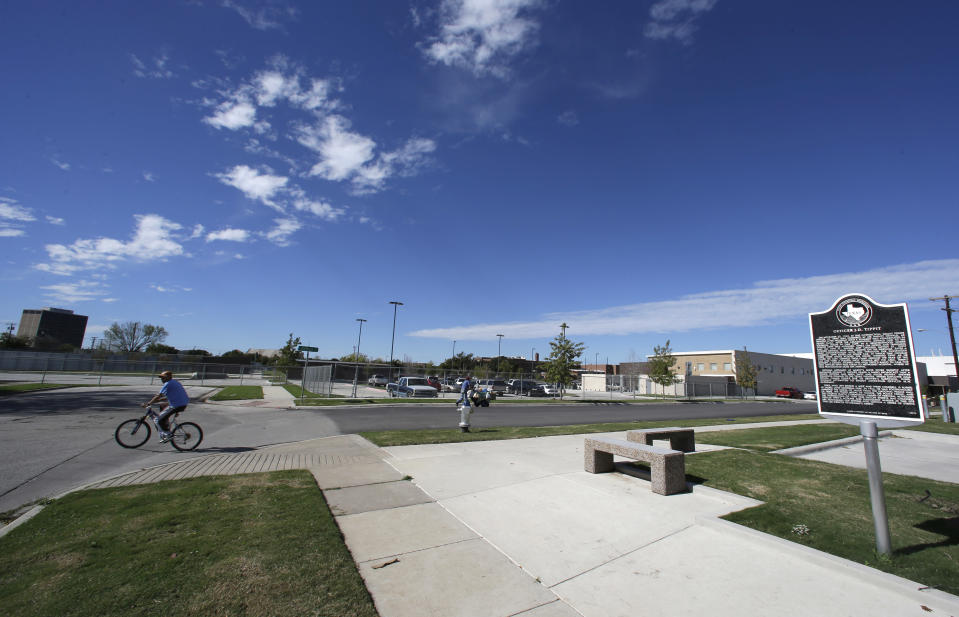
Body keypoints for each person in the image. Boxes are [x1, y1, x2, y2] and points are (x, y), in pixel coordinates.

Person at [143, 371, 190, 442]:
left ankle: (167, 434)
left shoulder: (168, 384)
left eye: (163, 377)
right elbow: (166, 397)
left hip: (177, 405)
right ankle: (165, 423)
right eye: (161, 378)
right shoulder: (174, 382)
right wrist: (155, 401)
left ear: (168, 377)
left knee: (157, 420)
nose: (162, 379)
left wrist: (149, 403)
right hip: (181, 403)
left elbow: (158, 395)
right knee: (162, 406)